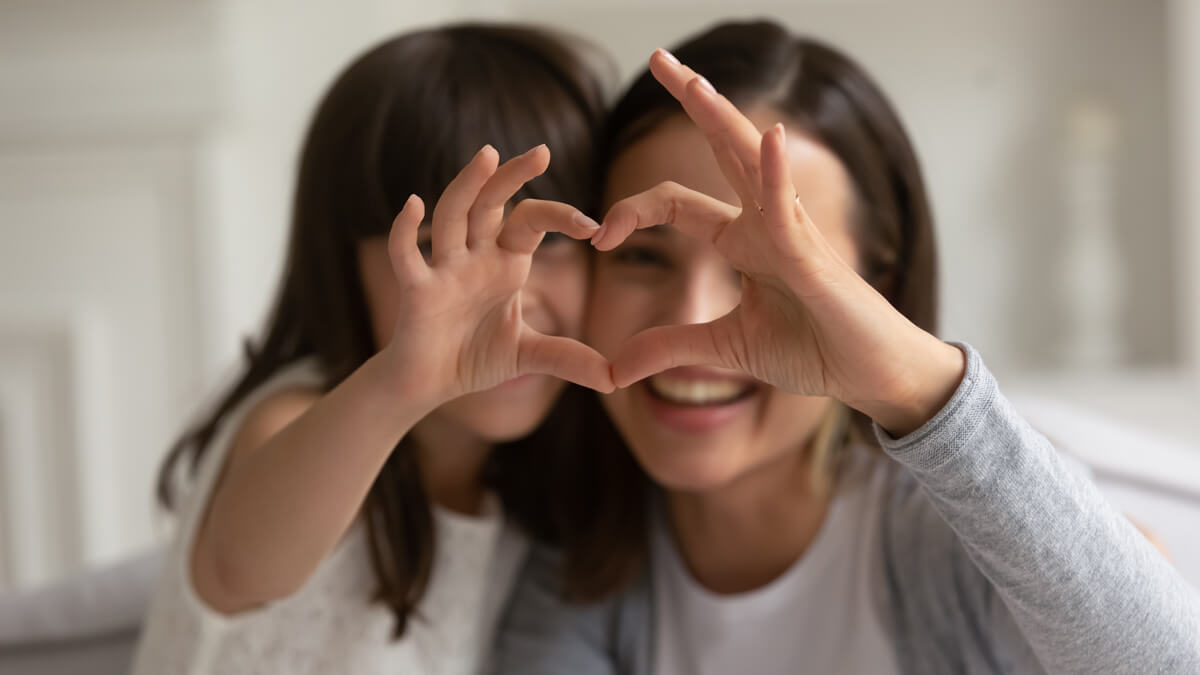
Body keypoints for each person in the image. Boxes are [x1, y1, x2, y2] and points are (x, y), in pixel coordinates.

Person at [491, 21, 1200, 674]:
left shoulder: (969, 540)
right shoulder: (570, 574)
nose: (692, 322)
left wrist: (916, 384)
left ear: (877, 291)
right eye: (642, 258)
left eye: (767, 273)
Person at [132, 24, 613, 675]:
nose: (506, 298)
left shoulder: (527, 484)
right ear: (342, 264)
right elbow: (244, 563)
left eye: (547, 240)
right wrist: (400, 385)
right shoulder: (296, 421)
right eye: (434, 249)